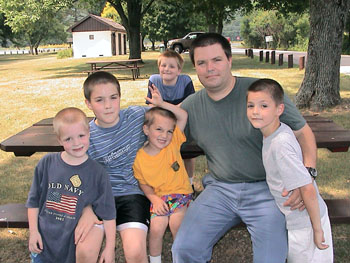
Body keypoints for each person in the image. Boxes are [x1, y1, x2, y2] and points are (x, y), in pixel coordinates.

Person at [171, 32, 318, 263]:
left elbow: (303, 133)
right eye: (202, 62)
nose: (210, 68)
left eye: (217, 60)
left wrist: (307, 176)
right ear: (195, 68)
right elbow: (163, 137)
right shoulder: (190, 107)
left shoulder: (261, 93)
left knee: (270, 259)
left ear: (229, 61)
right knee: (184, 249)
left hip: (267, 190)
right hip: (219, 190)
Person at [246, 78, 333, 262]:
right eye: (250, 105)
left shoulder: (280, 145)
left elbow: (307, 188)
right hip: (300, 220)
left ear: (280, 109)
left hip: (305, 223)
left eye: (263, 106)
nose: (255, 112)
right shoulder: (278, 131)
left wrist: (317, 229)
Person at [75, 71, 150, 263]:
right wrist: (87, 210)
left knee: (135, 253)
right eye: (99, 100)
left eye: (113, 98)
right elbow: (79, 177)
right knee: (84, 252)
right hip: (98, 199)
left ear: (120, 97)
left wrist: (161, 104)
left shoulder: (136, 116)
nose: (108, 105)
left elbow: (172, 117)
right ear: (88, 104)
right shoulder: (84, 135)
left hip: (133, 194)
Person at [26, 107, 116, 263]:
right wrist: (33, 232)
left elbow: (108, 214)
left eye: (81, 136)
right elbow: (33, 201)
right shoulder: (46, 163)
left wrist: (109, 248)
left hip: (71, 247)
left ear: (89, 133)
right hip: (44, 245)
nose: (76, 143)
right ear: (59, 139)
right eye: (68, 139)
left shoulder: (98, 173)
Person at [133, 86, 193, 263]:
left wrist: (162, 104)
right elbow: (143, 183)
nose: (164, 135)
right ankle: (155, 260)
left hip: (181, 195)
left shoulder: (173, 143)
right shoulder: (139, 158)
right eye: (158, 129)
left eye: (168, 131)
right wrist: (154, 200)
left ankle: (180, 258)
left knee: (177, 224)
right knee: (156, 228)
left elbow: (183, 116)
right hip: (159, 199)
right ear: (146, 130)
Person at [147, 50, 197, 190]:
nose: (166, 69)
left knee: (187, 153)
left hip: (182, 121)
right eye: (163, 65)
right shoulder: (154, 81)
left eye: (171, 66)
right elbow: (152, 105)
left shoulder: (185, 81)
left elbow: (188, 105)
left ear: (179, 70)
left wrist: (167, 107)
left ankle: (190, 182)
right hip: (163, 122)